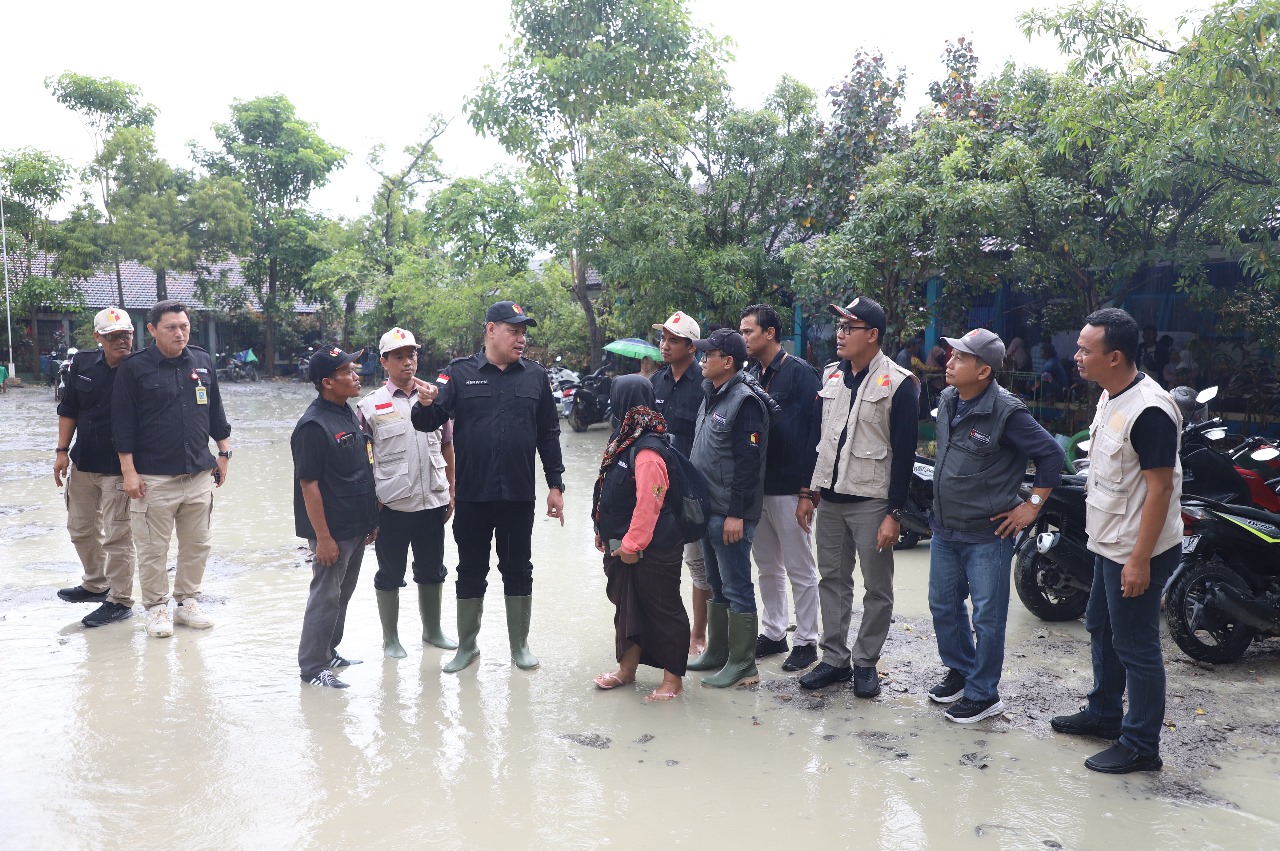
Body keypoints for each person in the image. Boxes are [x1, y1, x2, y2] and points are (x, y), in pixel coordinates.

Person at [1050, 308, 1183, 774]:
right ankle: (1105, 714)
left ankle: (1142, 745)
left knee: (1136, 645)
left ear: (1116, 356)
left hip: (1137, 547)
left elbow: (1161, 489)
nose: (1077, 356)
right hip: (1109, 540)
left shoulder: (1150, 411)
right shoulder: (1112, 395)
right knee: (1101, 628)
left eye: (1087, 350)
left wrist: (1140, 560)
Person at [411, 300, 565, 673]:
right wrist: (425, 403)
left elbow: (548, 433)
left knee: (518, 568)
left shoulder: (535, 377)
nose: (521, 338)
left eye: (524, 332)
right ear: (491, 330)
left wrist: (556, 484)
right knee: (470, 569)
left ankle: (520, 647)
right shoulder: (458, 374)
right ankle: (468, 647)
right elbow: (427, 421)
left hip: (517, 494)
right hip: (473, 496)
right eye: (514, 330)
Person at [928, 328, 1065, 723]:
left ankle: (985, 693)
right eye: (951, 355)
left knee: (987, 616)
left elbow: (1052, 457)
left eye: (959, 358)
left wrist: (1031, 507)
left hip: (988, 534)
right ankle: (961, 669)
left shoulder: (1008, 412)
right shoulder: (949, 398)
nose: (949, 362)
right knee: (943, 605)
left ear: (984, 370)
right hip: (945, 528)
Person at [797, 297, 918, 696]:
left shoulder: (899, 383)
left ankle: (865, 662)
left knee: (877, 589)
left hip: (872, 503)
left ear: (873, 335)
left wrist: (894, 513)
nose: (840, 334)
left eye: (849, 327)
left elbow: (904, 455)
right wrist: (808, 492)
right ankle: (833, 659)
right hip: (829, 502)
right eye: (840, 327)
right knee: (831, 579)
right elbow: (818, 440)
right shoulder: (831, 375)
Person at [113, 300, 230, 638]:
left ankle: (187, 602)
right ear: (151, 330)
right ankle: (156, 607)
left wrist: (224, 452)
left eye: (184, 326)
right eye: (171, 328)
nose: (180, 333)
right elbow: (122, 424)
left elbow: (215, 412)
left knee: (198, 543)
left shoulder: (202, 361)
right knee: (152, 548)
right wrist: (129, 472)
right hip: (153, 478)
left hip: (198, 474)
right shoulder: (134, 368)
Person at [356, 328, 457, 659]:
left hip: (433, 502)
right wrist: (371, 505)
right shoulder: (370, 406)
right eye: (398, 356)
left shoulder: (437, 397)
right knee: (389, 573)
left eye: (411, 355)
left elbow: (447, 446)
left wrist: (452, 490)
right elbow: (362, 460)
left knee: (432, 570)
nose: (407, 362)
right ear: (384, 362)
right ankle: (391, 639)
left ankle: (433, 632)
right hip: (392, 504)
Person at [591, 376, 691, 702]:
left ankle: (672, 681)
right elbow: (609, 489)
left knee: (663, 610)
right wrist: (602, 531)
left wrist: (632, 546)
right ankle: (626, 670)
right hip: (622, 546)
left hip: (653, 547)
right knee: (627, 609)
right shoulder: (624, 440)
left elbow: (651, 501)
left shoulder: (648, 448)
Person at [685, 328, 774, 689]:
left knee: (737, 586)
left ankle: (743, 664)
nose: (703, 360)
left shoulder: (745, 401)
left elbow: (748, 464)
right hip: (707, 509)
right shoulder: (712, 393)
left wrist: (736, 513)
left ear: (729, 361)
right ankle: (718, 653)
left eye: (709, 354)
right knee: (716, 585)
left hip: (730, 513)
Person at [739, 303, 822, 672]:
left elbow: (815, 437)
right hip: (759, 488)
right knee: (767, 567)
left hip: (791, 488)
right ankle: (774, 632)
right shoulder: (749, 373)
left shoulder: (802, 375)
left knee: (800, 566)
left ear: (769, 333)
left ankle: (807, 640)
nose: (744, 339)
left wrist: (808, 492)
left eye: (748, 332)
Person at [292, 348, 378, 688]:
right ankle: (313, 668)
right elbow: (309, 485)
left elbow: (360, 468)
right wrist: (323, 538)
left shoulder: (347, 413)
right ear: (328, 382)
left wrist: (371, 520)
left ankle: (329, 652)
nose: (356, 375)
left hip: (356, 524)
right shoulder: (313, 426)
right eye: (348, 371)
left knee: (342, 594)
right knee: (325, 596)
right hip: (333, 530)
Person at [54, 308, 137, 627]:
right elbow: (69, 407)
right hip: (83, 461)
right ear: (98, 338)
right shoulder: (83, 363)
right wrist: (61, 451)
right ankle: (96, 583)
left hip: (121, 468)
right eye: (113, 336)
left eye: (126, 334)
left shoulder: (140, 368)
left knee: (118, 535)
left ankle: (120, 600)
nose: (122, 341)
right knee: (80, 527)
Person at [649, 310, 711, 655]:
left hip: (690, 491)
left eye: (674, 340)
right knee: (657, 561)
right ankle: (661, 631)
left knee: (699, 565)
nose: (665, 345)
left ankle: (699, 635)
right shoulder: (654, 384)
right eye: (663, 338)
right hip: (656, 490)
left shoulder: (705, 384)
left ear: (692, 347)